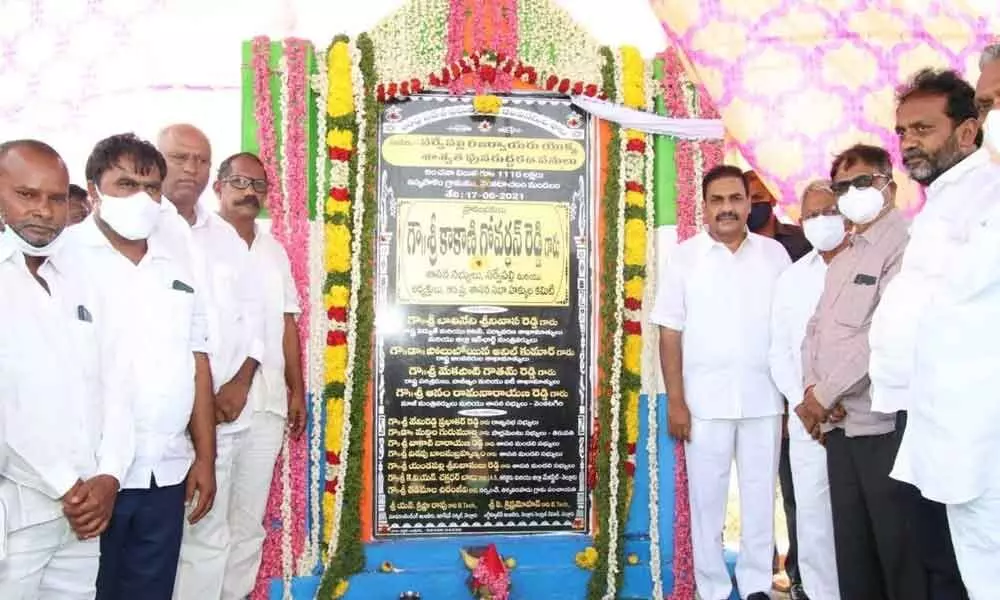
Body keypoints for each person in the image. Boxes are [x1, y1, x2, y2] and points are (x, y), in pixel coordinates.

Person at [69, 133, 216, 600]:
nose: (141, 198)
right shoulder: (63, 259)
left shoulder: (175, 261)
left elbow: (197, 360)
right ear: (94, 191)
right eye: (125, 184)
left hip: (165, 472)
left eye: (151, 187)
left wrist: (205, 458)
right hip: (89, 478)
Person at [885, 64, 1000, 600]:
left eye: (923, 129)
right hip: (932, 421)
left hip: (979, 433)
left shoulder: (988, 192)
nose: (908, 143)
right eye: (903, 132)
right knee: (942, 566)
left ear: (967, 131)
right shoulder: (941, 203)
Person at [0, 139, 134, 598]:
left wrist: (110, 476)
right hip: (18, 513)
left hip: (85, 514)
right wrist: (68, 485)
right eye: (26, 194)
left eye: (56, 198)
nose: (43, 210)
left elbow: (118, 381)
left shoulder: (84, 276)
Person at [653, 165, 790, 600]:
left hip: (764, 400)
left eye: (735, 199)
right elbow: (669, 332)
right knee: (707, 505)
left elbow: (790, 332)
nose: (727, 208)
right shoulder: (684, 258)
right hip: (703, 405)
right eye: (718, 200)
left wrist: (789, 399)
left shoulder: (774, 256)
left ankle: (755, 588)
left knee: (758, 500)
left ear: (750, 204)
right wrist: (676, 402)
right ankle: (711, 589)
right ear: (705, 207)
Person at [798, 143, 925, 600]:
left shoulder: (908, 246)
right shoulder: (846, 254)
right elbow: (814, 331)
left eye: (862, 182)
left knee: (900, 553)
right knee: (853, 554)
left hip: (884, 426)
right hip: (839, 428)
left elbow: (883, 336)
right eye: (842, 186)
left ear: (888, 183)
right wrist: (813, 391)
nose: (852, 193)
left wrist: (823, 395)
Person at [154, 127, 267, 600]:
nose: (191, 169)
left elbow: (255, 313)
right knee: (179, 540)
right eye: (180, 158)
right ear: (157, 162)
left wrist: (240, 382)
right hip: (166, 420)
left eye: (201, 160)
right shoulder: (144, 228)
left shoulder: (222, 236)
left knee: (216, 536)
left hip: (229, 413)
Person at [214, 152, 306, 599]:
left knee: (247, 523)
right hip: (214, 406)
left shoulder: (273, 250)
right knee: (204, 523)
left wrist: (297, 391)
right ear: (219, 186)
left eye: (258, 185)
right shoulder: (198, 242)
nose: (249, 192)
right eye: (238, 182)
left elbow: (288, 322)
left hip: (267, 404)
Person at [768, 180, 846, 600]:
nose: (820, 221)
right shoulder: (792, 278)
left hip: (857, 416)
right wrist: (803, 402)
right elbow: (778, 349)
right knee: (813, 519)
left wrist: (835, 399)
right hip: (806, 419)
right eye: (811, 214)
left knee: (857, 517)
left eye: (828, 211)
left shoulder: (867, 267)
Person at [745, 169, 811, 598]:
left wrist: (794, 402)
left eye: (761, 195)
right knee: (753, 490)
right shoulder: (731, 246)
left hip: (794, 393)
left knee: (797, 491)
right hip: (749, 389)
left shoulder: (800, 244)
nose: (754, 205)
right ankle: (761, 570)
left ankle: (802, 573)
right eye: (749, 197)